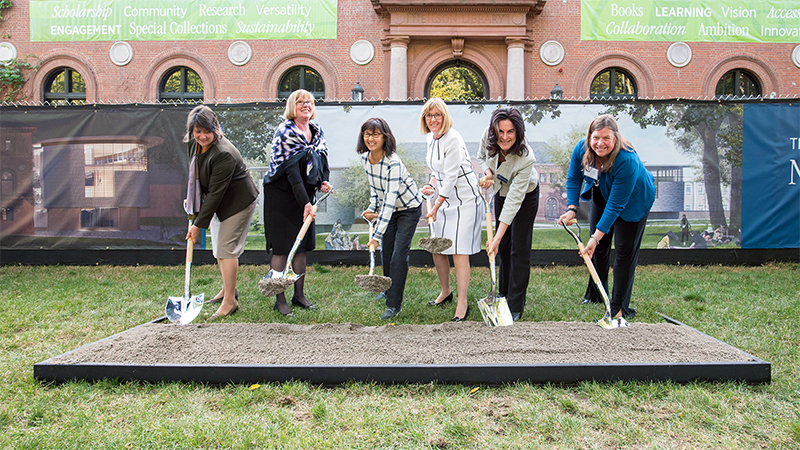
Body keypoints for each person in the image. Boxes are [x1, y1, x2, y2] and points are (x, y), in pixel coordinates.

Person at [558, 114, 655, 321]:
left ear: (616, 138)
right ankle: (595, 294)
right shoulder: (582, 149)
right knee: (600, 248)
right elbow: (574, 177)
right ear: (589, 137)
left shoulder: (627, 159)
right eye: (595, 138)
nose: (599, 143)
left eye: (606, 138)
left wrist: (593, 238)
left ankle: (619, 307)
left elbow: (616, 206)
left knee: (623, 252)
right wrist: (572, 208)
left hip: (633, 200)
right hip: (603, 191)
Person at [183, 105, 258, 321]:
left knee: (226, 249)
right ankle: (227, 290)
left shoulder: (224, 154)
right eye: (198, 131)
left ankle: (230, 302)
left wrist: (198, 225)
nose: (202, 136)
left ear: (215, 128)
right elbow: (195, 179)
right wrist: (193, 213)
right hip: (219, 202)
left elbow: (215, 194)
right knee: (218, 248)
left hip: (238, 202)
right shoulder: (194, 144)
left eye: (207, 131)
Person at [263, 89, 332, 317]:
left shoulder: (317, 131)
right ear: (292, 106)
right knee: (283, 248)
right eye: (300, 102)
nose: (306, 105)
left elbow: (321, 158)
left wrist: (323, 181)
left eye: (309, 102)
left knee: (302, 247)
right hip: (282, 196)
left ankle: (299, 295)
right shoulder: (285, 132)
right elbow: (292, 171)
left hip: (306, 196)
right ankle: (279, 299)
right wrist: (305, 203)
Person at [419, 98, 484, 322]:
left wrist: (436, 205)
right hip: (445, 199)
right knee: (438, 248)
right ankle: (446, 292)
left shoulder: (453, 138)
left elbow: (453, 174)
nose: (433, 119)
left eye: (438, 115)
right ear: (425, 119)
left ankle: (462, 302)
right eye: (429, 115)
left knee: (459, 250)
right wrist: (431, 184)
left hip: (465, 200)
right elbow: (439, 171)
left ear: (445, 117)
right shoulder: (430, 138)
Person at [477, 107, 540, 322]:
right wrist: (487, 172)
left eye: (510, 132)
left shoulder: (526, 158)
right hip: (500, 191)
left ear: (518, 132)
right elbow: (481, 157)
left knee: (518, 249)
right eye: (501, 131)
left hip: (525, 197)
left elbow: (514, 202)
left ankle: (515, 303)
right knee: (503, 248)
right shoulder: (489, 134)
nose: (504, 137)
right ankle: (501, 293)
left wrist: (496, 236)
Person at [358, 118, 424, 320]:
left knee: (398, 255)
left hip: (409, 208)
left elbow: (389, 199)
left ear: (385, 137)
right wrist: (371, 208)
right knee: (386, 252)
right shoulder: (366, 159)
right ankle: (387, 289)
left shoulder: (392, 162)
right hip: (391, 209)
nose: (371, 138)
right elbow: (376, 191)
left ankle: (394, 304)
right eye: (367, 134)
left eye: (376, 134)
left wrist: (376, 235)